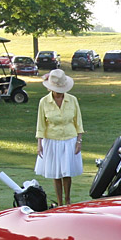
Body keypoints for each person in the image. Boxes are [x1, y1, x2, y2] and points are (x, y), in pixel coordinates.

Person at [35, 69, 84, 206]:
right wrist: (40, 144)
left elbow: (78, 122)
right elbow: (41, 124)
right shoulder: (44, 102)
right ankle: (60, 202)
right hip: (52, 139)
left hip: (69, 138)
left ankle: (68, 200)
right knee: (56, 173)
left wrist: (79, 141)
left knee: (66, 172)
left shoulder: (72, 100)